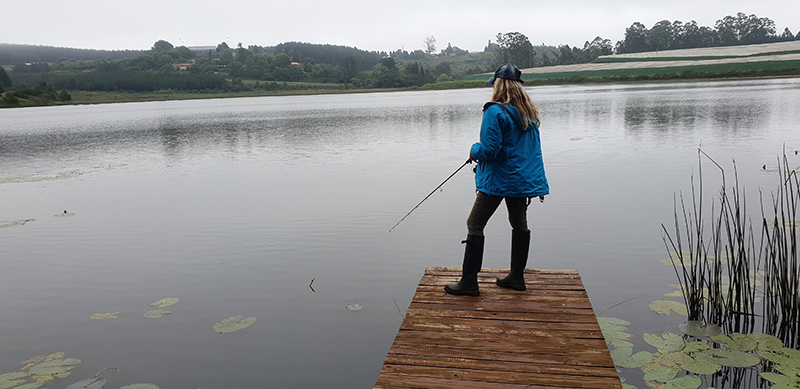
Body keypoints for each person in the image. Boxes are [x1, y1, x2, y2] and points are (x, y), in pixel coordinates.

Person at [444, 64, 549, 296]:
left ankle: (469, 282)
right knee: (519, 224)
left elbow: (490, 150)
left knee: (474, 224)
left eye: (493, 84)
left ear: (498, 84)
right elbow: (527, 151)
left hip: (498, 181)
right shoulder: (527, 112)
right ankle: (517, 277)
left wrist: (474, 149)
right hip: (521, 181)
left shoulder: (494, 111)